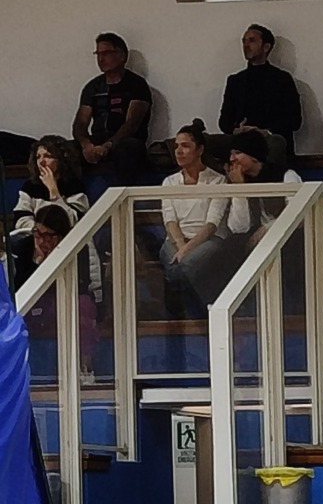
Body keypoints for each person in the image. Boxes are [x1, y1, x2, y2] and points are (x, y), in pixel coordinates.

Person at [179, 131, 303, 306]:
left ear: (254, 156)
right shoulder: (239, 179)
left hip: (286, 235)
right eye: (231, 154)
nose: (232, 159)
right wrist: (239, 188)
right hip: (253, 237)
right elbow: (239, 227)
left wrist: (268, 229)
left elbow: (297, 214)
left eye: (237, 153)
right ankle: (220, 305)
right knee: (227, 250)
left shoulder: (286, 175)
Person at [18, 205, 103, 373]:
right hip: (34, 305)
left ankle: (84, 369)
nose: (42, 241)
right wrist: (39, 264)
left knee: (84, 305)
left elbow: (81, 285)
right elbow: (20, 287)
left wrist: (55, 262)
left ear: (61, 236)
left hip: (64, 302)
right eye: (38, 234)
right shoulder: (23, 247)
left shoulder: (78, 248)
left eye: (48, 236)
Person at [157, 121, 227, 315]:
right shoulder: (169, 182)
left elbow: (212, 224)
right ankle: (204, 312)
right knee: (179, 264)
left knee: (179, 269)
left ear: (200, 149)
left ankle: (177, 315)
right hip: (176, 239)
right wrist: (181, 245)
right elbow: (169, 219)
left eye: (185, 146)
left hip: (208, 239)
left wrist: (187, 250)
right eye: (176, 146)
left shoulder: (217, 180)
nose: (179, 151)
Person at [7, 138, 88, 290]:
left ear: (61, 159)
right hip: (34, 242)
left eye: (48, 156)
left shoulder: (74, 187)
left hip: (66, 244)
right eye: (38, 157)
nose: (42, 162)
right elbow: (21, 220)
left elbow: (73, 222)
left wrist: (54, 192)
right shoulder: (30, 187)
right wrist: (40, 232)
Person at [73, 33, 152, 185]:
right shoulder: (92, 87)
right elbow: (80, 123)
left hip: (126, 140)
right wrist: (86, 144)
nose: (101, 59)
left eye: (106, 53)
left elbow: (132, 124)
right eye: (98, 54)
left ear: (122, 56)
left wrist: (108, 145)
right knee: (65, 150)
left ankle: (125, 195)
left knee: (127, 149)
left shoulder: (137, 84)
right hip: (97, 139)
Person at [218, 24, 302, 167]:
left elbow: (294, 120)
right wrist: (237, 130)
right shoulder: (235, 81)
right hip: (243, 147)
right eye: (244, 41)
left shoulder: (282, 79)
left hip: (272, 148)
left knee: (276, 143)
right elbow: (224, 121)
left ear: (266, 47)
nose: (246, 45)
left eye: (251, 40)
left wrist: (266, 131)